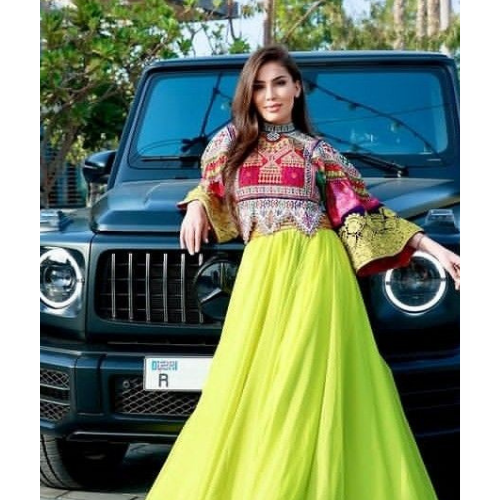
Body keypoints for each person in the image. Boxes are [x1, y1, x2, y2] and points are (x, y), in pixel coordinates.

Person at [145, 44, 460, 500]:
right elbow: (210, 188)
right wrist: (195, 204)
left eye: (279, 83)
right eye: (259, 87)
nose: (270, 95)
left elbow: (364, 212)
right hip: (261, 279)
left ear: (296, 88)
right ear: (249, 95)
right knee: (248, 385)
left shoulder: (318, 152)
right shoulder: (229, 143)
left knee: (304, 383)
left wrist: (433, 247)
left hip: (319, 275)